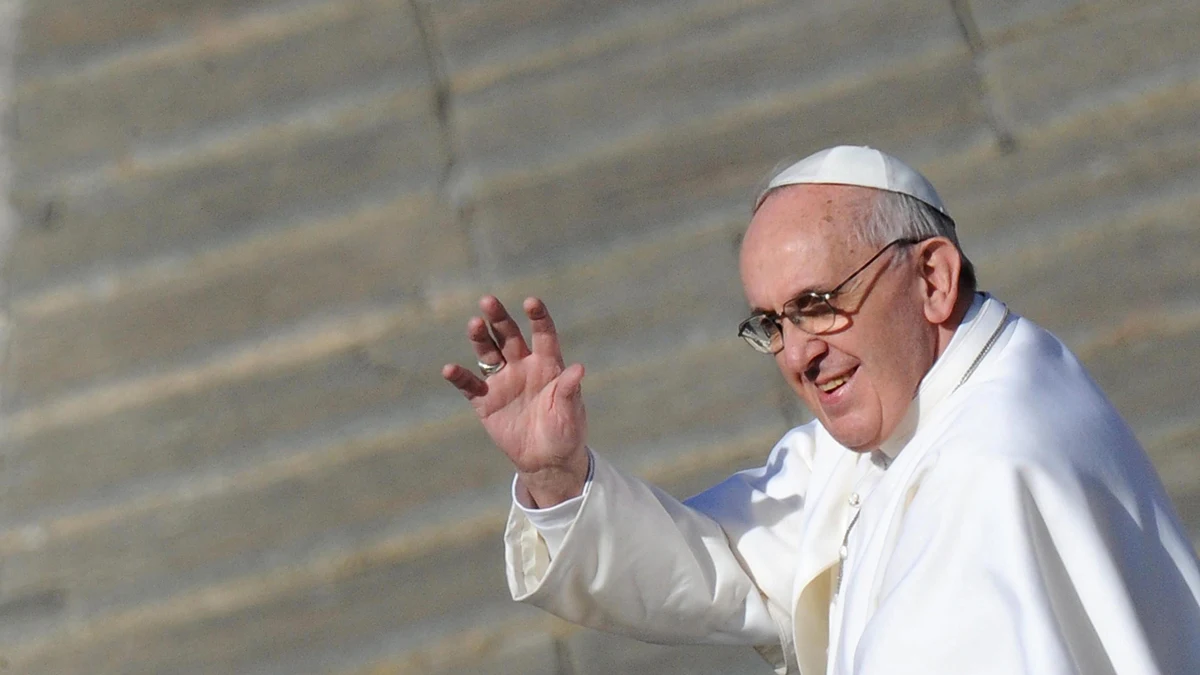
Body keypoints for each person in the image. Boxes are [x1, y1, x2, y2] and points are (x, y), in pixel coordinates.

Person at [441, 145, 1200, 674]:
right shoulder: (903, 424)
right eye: (773, 323)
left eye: (819, 305)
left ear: (933, 279)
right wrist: (557, 478)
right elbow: (730, 563)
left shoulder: (991, 468)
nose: (798, 353)